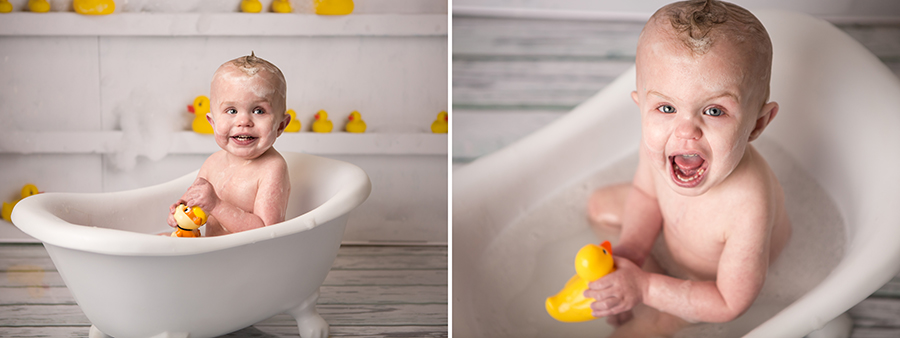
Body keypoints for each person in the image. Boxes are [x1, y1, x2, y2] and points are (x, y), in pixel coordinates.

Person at [584, 1, 792, 336]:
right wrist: (633, 252)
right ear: (641, 107)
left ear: (757, 124)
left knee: (639, 332)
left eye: (714, 111)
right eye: (666, 107)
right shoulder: (662, 148)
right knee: (599, 205)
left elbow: (729, 303)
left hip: (704, 285)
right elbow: (644, 193)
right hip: (668, 241)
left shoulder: (749, 202)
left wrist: (646, 290)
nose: (685, 131)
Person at [168, 52, 292, 237]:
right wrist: (180, 210)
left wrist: (216, 205)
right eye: (231, 110)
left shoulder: (272, 168)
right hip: (214, 255)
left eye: (258, 110)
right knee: (158, 241)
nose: (243, 121)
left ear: (280, 125)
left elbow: (267, 233)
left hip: (248, 261)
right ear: (213, 123)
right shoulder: (213, 163)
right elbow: (193, 202)